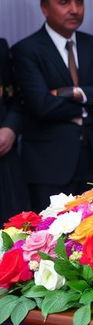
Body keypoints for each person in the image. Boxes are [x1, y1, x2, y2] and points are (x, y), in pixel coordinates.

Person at [11, 0, 93, 213]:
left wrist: (73, 92)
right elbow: (41, 105)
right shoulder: (26, 50)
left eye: (79, 1)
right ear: (45, 7)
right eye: (65, 2)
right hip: (49, 166)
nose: (75, 9)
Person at [0, 38, 29, 223]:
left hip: (4, 156)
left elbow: (18, 97)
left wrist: (10, 128)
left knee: (13, 229)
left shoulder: (1, 47)